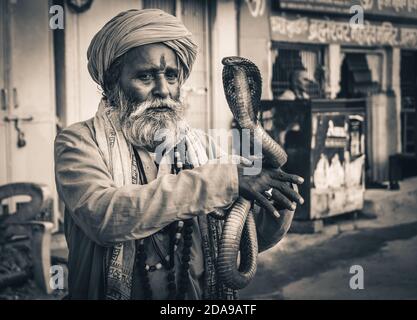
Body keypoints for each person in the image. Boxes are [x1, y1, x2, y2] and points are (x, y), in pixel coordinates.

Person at [54, 9, 304, 300]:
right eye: (145, 76)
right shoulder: (79, 142)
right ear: (112, 84)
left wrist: (277, 206)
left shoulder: (204, 148)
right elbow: (105, 217)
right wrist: (223, 181)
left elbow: (244, 240)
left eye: (171, 76)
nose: (163, 90)